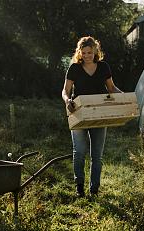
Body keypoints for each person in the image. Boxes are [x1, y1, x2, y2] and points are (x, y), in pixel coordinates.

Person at [61, 36, 122, 197]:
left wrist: (126, 97)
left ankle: (94, 189)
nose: (87, 55)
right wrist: (67, 100)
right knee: (79, 151)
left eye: (90, 52)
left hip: (99, 112)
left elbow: (111, 88)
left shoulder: (103, 67)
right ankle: (79, 186)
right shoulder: (74, 68)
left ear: (95, 51)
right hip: (78, 111)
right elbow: (65, 90)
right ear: (80, 52)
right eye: (84, 52)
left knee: (97, 155)